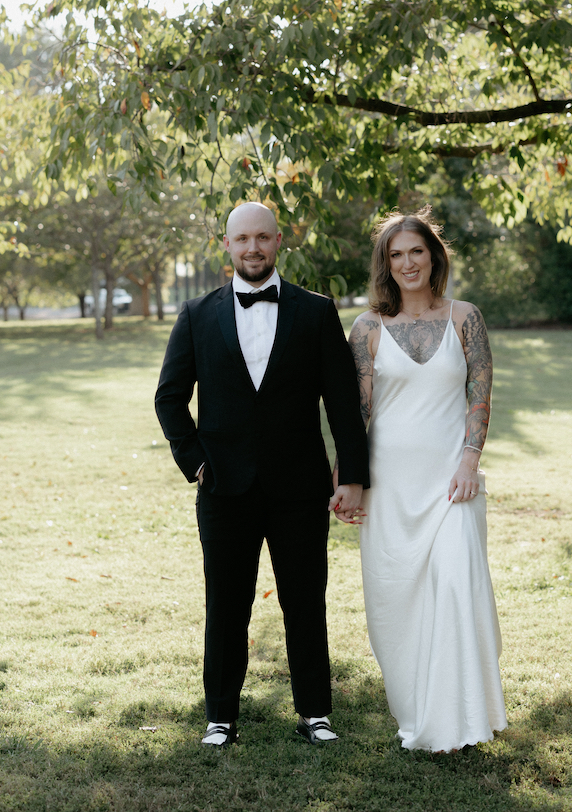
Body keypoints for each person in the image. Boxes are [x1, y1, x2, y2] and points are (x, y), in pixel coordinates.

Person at [154, 202, 369, 749]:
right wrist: (196, 461)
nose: (252, 248)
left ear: (279, 242)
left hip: (300, 487)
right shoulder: (196, 315)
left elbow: (343, 403)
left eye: (262, 238)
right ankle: (220, 716)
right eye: (241, 239)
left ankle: (316, 712)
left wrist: (353, 476)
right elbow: (170, 399)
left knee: (306, 600)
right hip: (223, 487)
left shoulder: (316, 312)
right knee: (226, 602)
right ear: (225, 246)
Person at [345, 208, 507, 751]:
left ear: (433, 256)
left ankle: (462, 720)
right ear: (385, 265)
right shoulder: (367, 328)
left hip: (451, 482)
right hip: (389, 486)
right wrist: (347, 480)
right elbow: (356, 417)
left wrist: (469, 461)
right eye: (396, 254)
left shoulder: (466, 317)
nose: (407, 262)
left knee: (458, 589)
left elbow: (478, 397)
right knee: (398, 602)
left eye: (417, 251)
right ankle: (418, 712)